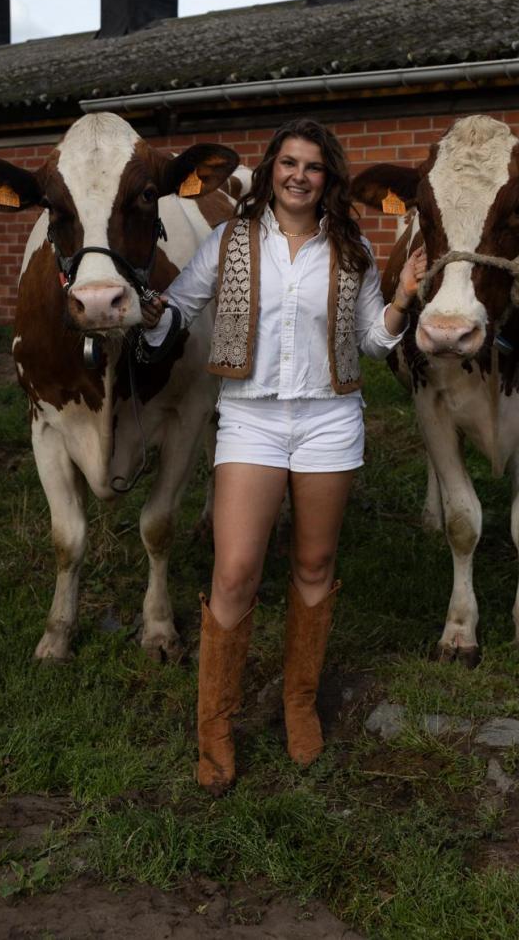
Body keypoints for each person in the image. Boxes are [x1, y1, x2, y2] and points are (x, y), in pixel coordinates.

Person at [140, 118, 426, 794]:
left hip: (329, 419)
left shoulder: (349, 245)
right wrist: (148, 308)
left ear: (329, 178)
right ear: (272, 168)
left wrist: (404, 301)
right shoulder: (231, 239)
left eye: (314, 166)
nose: (299, 175)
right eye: (289, 163)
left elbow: (373, 341)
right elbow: (178, 309)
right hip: (250, 418)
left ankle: (299, 703)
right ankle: (215, 727)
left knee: (314, 562)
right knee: (236, 569)